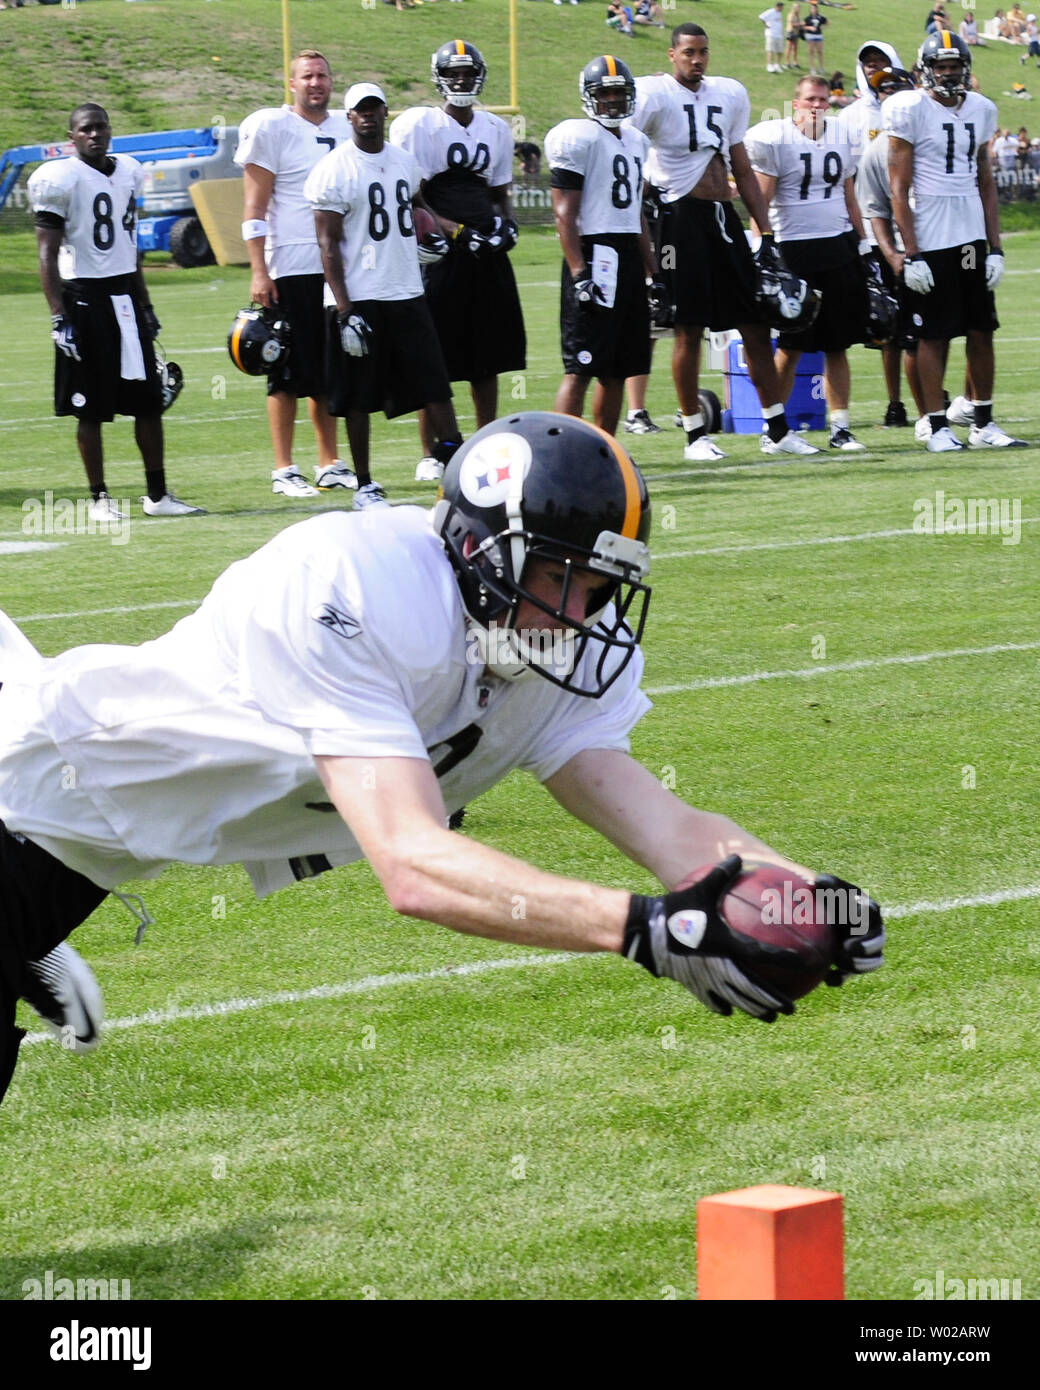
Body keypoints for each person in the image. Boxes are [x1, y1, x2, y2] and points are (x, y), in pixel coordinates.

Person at [0, 411, 886, 1109]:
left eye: (602, 586)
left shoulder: (549, 653)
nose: (581, 613)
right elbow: (415, 867)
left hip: (92, 846)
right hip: (23, 792)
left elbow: (671, 828)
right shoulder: (355, 581)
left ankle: (27, 948)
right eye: (558, 576)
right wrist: (647, 929)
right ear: (478, 548)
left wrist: (801, 893)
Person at [626, 22, 820, 461]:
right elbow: (627, 155)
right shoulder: (654, 95)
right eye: (689, 52)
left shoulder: (727, 93)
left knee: (754, 322)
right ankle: (695, 434)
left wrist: (765, 232)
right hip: (678, 219)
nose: (697, 60)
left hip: (721, 218)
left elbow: (742, 168)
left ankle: (776, 429)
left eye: (704, 52)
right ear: (671, 54)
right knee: (688, 329)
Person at [27, 104, 203, 523]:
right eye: (85, 129)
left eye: (100, 127)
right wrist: (57, 316)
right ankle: (99, 498)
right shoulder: (60, 179)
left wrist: (146, 304)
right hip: (83, 297)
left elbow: (131, 248)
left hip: (124, 297)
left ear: (110, 130)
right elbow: (46, 254)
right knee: (90, 407)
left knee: (147, 403)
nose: (94, 135)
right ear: (71, 137)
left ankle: (157, 495)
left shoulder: (127, 170)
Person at [306, 84, 462, 508]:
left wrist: (441, 229)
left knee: (435, 386)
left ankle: (458, 475)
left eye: (375, 109)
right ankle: (365, 483)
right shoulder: (334, 169)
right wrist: (344, 309)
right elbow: (327, 245)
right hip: (360, 295)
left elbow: (416, 203)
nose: (369, 116)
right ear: (349, 117)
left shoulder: (403, 162)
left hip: (406, 289)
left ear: (386, 112)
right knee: (359, 396)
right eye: (361, 110)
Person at [389, 41, 524, 483]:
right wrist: (455, 231)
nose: (462, 80)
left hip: (485, 254)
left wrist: (506, 226)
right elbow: (415, 196)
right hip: (442, 255)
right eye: (455, 73)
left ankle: (486, 442)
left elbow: (499, 195)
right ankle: (433, 449)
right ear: (440, 77)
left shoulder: (496, 129)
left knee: (487, 355)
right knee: (436, 355)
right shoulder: (422, 126)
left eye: (469, 73)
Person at [887, 30, 1027, 448]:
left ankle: (983, 423)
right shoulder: (907, 108)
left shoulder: (982, 108)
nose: (948, 74)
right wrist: (910, 253)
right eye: (941, 66)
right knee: (935, 333)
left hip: (969, 242)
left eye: (954, 66)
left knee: (981, 328)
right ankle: (937, 426)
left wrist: (995, 245)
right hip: (931, 238)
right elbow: (898, 189)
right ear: (925, 70)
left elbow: (985, 180)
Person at [235, 50, 355, 499]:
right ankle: (284, 467)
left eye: (322, 75)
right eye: (307, 76)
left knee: (327, 370)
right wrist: (259, 269)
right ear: (291, 84)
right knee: (283, 369)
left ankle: (330, 462)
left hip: (336, 266)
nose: (316, 83)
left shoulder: (346, 125)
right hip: (289, 262)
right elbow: (254, 207)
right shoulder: (273, 128)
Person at [747, 74, 871, 452]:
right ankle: (776, 429)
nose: (818, 106)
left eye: (823, 100)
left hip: (837, 246)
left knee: (838, 345)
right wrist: (760, 246)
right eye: (811, 100)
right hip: (794, 250)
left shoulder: (843, 135)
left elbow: (849, 195)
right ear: (796, 103)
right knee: (791, 344)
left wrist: (863, 242)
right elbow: (760, 200)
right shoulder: (776, 138)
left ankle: (841, 427)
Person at [545, 57, 656, 436]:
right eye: (604, 93)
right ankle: (559, 451)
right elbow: (564, 213)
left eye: (619, 93)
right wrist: (579, 272)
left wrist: (652, 272)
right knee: (581, 365)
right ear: (588, 97)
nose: (611, 100)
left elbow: (636, 213)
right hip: (594, 253)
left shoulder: (637, 140)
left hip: (625, 254)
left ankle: (605, 450)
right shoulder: (577, 136)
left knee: (618, 368)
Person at [853, 66, 930, 431]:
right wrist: (892, 255)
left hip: (941, 243)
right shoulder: (873, 147)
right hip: (896, 250)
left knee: (954, 327)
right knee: (895, 333)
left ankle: (947, 403)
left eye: (897, 89)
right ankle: (899, 405)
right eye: (884, 92)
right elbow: (874, 210)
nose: (890, 96)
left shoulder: (929, 131)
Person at [837, 40, 906, 425]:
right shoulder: (849, 117)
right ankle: (894, 400)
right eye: (868, 63)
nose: (873, 69)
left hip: (918, 225)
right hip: (873, 227)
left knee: (931, 322)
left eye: (881, 62)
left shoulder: (914, 107)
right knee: (887, 320)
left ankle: (931, 395)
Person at [760, 2, 787, 74]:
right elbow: (761, 17)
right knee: (770, 50)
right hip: (771, 34)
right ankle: (769, 65)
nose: (782, 8)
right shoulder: (771, 12)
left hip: (779, 35)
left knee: (780, 51)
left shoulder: (779, 13)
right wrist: (766, 25)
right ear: (778, 6)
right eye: (782, 7)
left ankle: (777, 64)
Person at [802, 1, 828, 72]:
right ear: (810, 10)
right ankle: (812, 68)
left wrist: (823, 27)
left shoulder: (820, 17)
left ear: (817, 10)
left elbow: (827, 22)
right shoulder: (808, 18)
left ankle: (821, 67)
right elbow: (803, 26)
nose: (814, 10)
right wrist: (810, 28)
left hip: (819, 35)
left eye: (815, 9)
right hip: (810, 35)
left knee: (820, 51)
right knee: (812, 51)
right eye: (812, 9)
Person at [784, 2, 803, 70]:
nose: (799, 9)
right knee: (789, 48)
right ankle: (787, 62)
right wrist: (800, 24)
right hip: (790, 32)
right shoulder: (791, 15)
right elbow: (792, 24)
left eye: (799, 7)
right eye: (798, 7)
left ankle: (795, 62)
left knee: (795, 48)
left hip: (796, 33)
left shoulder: (798, 15)